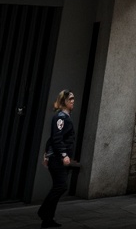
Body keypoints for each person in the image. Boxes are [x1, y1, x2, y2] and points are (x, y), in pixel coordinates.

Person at [38, 89, 76, 229]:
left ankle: (47, 219)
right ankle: (43, 212)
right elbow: (56, 138)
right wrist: (64, 155)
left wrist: (46, 153)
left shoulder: (65, 116)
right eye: (70, 99)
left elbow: (51, 139)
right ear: (64, 101)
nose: (73, 101)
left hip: (56, 157)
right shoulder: (61, 117)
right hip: (58, 159)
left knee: (58, 186)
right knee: (61, 186)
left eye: (73, 98)